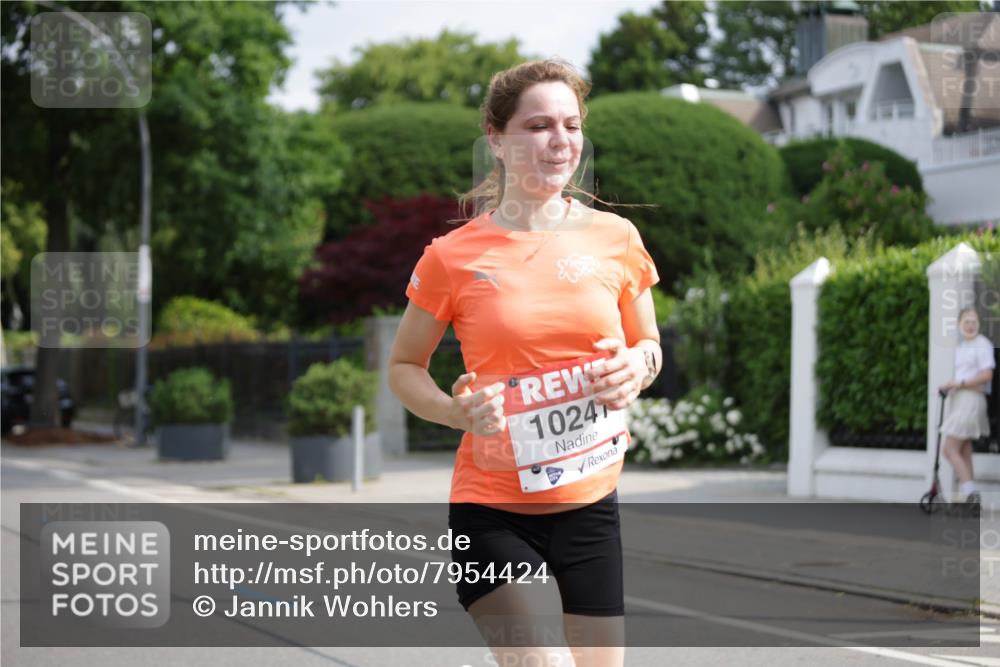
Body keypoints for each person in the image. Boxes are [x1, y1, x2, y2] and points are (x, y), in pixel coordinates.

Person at [387, 58, 661, 667]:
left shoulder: (617, 238)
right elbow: (403, 365)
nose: (560, 140)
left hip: (591, 505)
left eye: (571, 125)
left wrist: (636, 367)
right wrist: (453, 412)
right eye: (538, 126)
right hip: (491, 511)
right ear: (496, 138)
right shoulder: (451, 257)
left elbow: (649, 344)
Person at [938, 306, 995, 505]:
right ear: (959, 324)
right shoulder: (962, 346)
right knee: (964, 450)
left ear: (979, 324)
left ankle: (971, 494)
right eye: (966, 322)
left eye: (974, 322)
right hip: (961, 400)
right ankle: (970, 498)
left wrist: (960, 384)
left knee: (949, 449)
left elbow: (986, 375)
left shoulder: (982, 344)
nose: (970, 326)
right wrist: (951, 386)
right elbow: (964, 376)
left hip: (971, 402)